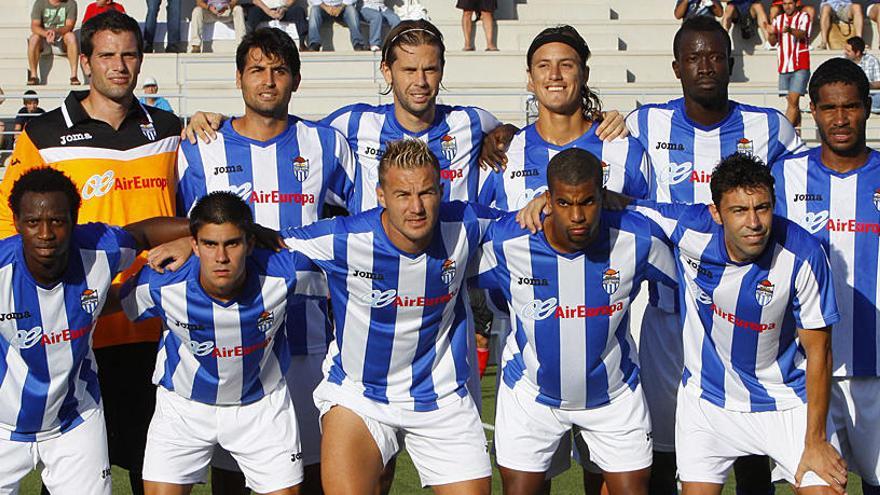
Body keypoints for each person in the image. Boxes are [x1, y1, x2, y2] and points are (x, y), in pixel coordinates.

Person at [0, 11, 182, 495]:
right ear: (85, 62)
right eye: (107, 55)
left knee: (158, 472)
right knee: (68, 467)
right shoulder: (43, 134)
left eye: (129, 55)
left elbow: (190, 213)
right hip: (72, 331)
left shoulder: (170, 129)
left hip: (154, 326)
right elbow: (8, 229)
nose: (119, 66)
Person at [624, 15, 804, 495]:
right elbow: (604, 172)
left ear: (730, 62)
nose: (705, 65)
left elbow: (802, 192)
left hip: (744, 317)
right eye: (694, 57)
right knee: (664, 452)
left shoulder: (772, 128)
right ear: (678, 67)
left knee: (750, 458)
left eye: (715, 55)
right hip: (667, 314)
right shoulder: (645, 123)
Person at [175, 26, 355, 495]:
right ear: (238, 79)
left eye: (279, 70)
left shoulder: (327, 145)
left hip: (310, 335)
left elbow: (360, 226)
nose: (268, 80)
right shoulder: (201, 147)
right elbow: (185, 232)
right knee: (232, 481)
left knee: (311, 477)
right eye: (257, 69)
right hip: (229, 342)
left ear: (297, 79)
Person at [628, 154, 846, 495]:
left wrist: (816, 439)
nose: (754, 222)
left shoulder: (803, 254)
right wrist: (544, 201)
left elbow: (820, 352)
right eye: (739, 210)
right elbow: (621, 207)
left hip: (786, 401)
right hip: (709, 401)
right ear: (716, 213)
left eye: (762, 208)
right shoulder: (690, 227)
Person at [471, 148, 676, 495]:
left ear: (603, 196)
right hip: (532, 397)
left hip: (614, 396)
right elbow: (451, 262)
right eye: (565, 203)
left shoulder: (639, 240)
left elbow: (689, 275)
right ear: (547, 199)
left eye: (588, 202)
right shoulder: (509, 241)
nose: (577, 215)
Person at [0, 167, 191, 495]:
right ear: (17, 222)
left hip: (75, 419)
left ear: (74, 221)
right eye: (33, 222)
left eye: (57, 221)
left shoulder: (99, 249)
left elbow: (143, 234)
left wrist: (197, 236)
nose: (46, 233)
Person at [122, 191, 324, 495]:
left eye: (232, 243)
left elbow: (346, 278)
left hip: (261, 407)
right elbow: (104, 304)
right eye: (209, 244)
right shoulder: (160, 283)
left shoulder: (286, 273)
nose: (221, 257)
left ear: (250, 242)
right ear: (193, 245)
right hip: (183, 409)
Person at [772, 57, 880, 495]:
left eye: (851, 107)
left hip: (875, 366)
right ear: (812, 109)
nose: (840, 119)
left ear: (867, 108)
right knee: (818, 489)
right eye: (830, 108)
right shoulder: (784, 174)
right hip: (806, 369)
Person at [768, 0, 811, 128]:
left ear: (796, 4)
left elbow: (803, 34)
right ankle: (797, 134)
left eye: (790, 3)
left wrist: (790, 30)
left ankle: (784, 132)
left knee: (792, 102)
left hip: (800, 65)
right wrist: (771, 33)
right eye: (785, 3)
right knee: (793, 104)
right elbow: (772, 42)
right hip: (784, 65)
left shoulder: (804, 16)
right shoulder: (778, 19)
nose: (787, 6)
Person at [28, 0, 80, 85]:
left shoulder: (71, 3)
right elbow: (34, 26)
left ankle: (74, 75)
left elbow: (69, 25)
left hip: (61, 37)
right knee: (33, 38)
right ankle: (33, 75)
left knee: (71, 36)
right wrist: (46, 34)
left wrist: (55, 32)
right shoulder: (40, 3)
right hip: (44, 38)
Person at [243, 0, 308, 48]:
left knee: (299, 11)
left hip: (283, 9)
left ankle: (302, 44)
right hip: (263, 9)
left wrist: (284, 8)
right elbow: (255, 1)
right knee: (253, 12)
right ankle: (248, 42)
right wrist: (268, 11)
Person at [843, 36, 880, 113]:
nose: (845, 52)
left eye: (848, 51)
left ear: (857, 53)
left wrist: (865, 84)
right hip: (849, 95)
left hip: (869, 95)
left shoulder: (872, 61)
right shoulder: (842, 62)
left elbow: (879, 82)